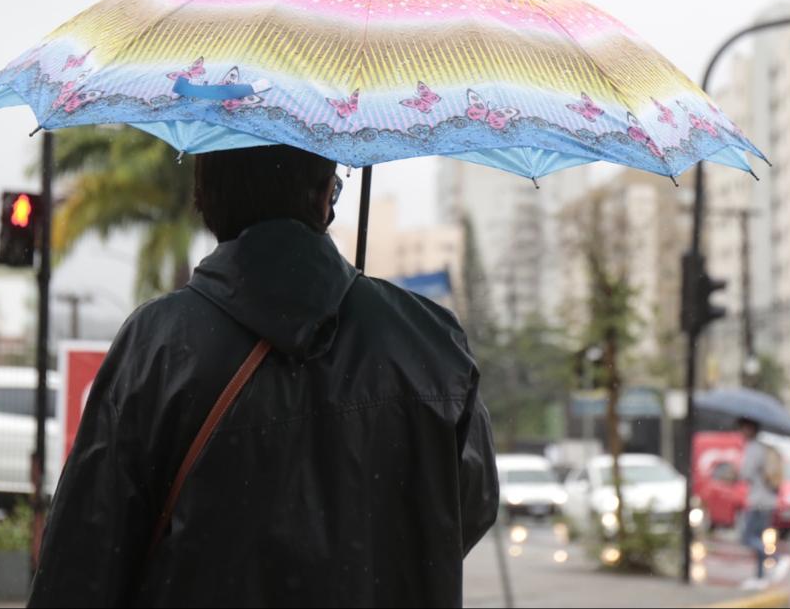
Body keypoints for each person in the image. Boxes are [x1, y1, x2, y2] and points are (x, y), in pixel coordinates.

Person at [29, 144, 499, 608]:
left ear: (208, 200)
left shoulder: (158, 346)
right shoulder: (431, 344)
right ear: (323, 198)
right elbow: (463, 511)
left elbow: (83, 554)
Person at [737, 418, 790, 589]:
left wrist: (735, 473)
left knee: (746, 538)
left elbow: (745, 473)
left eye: (743, 429)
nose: (741, 432)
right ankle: (760, 577)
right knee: (758, 538)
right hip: (769, 500)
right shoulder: (764, 448)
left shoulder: (753, 448)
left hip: (758, 501)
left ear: (750, 429)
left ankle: (777, 559)